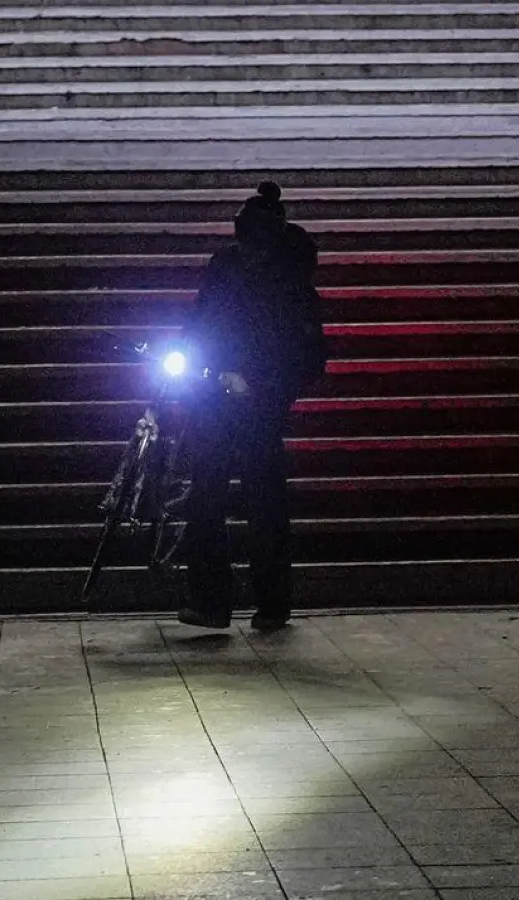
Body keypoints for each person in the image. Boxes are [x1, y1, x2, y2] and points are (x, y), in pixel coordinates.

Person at [176, 182, 327, 631]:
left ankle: (267, 602)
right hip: (216, 397)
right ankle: (215, 601)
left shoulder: (290, 282)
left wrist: (263, 386)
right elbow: (203, 319)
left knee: (260, 503)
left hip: (259, 404)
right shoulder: (228, 268)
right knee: (211, 498)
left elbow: (304, 352)